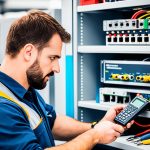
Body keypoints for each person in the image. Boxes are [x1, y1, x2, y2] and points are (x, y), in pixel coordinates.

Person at [0, 10, 133, 150]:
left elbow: (52, 122)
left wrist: (97, 125)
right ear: (29, 52)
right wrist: (95, 135)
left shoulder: (23, 87)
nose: (57, 69)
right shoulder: (3, 107)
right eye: (52, 58)